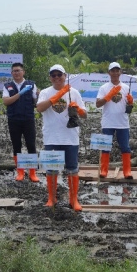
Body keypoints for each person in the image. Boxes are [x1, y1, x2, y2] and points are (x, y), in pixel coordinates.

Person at [36, 64, 87, 211]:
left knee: (72, 169)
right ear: (50, 77)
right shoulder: (45, 92)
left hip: (70, 138)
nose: (57, 78)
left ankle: (73, 199)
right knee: (51, 169)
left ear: (65, 76)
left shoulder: (74, 92)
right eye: (54, 75)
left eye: (60, 75)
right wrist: (57, 96)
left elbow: (85, 115)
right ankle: (52, 198)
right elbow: (39, 108)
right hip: (51, 137)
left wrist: (77, 108)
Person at [95, 62, 134, 179]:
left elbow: (130, 106)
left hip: (123, 122)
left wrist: (131, 102)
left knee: (125, 147)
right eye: (113, 71)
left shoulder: (126, 87)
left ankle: (127, 171)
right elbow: (97, 104)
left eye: (117, 70)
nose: (115, 73)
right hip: (108, 122)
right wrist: (107, 97)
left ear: (120, 72)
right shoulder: (104, 88)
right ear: (109, 73)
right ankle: (104, 170)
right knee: (106, 146)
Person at [2, 62, 39, 182]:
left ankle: (32, 172)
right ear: (11, 73)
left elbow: (37, 101)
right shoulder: (7, 86)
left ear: (24, 72)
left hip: (28, 119)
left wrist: (39, 94)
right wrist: (19, 94)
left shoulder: (31, 85)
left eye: (18, 70)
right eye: (14, 71)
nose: (16, 73)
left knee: (31, 145)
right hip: (14, 120)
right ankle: (20, 172)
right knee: (16, 145)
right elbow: (6, 101)